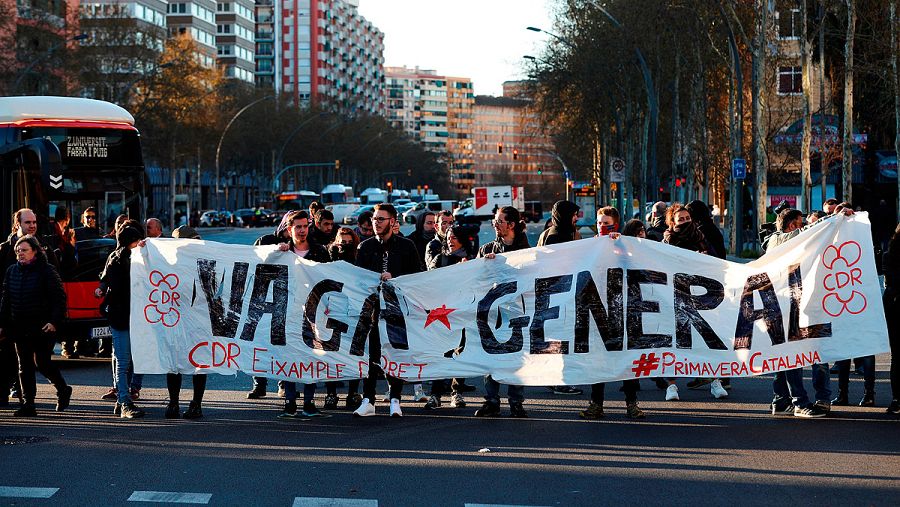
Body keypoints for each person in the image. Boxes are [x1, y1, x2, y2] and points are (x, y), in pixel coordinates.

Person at [765, 207, 852, 418]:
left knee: (789, 355)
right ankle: (805, 401)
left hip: (799, 306)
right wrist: (835, 217)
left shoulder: (778, 242)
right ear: (793, 225)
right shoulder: (782, 240)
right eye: (801, 223)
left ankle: (783, 400)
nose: (804, 227)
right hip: (798, 308)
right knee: (805, 354)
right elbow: (811, 232)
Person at [353, 203, 422, 418]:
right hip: (371, 310)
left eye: (380, 219)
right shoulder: (365, 247)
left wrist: (396, 278)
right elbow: (357, 278)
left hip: (397, 310)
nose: (376, 223)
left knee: (395, 353)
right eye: (374, 219)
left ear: (392, 221)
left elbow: (418, 276)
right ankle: (368, 399)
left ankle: (395, 399)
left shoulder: (407, 246)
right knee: (370, 354)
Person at [580, 207, 645, 420]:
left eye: (605, 223)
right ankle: (596, 404)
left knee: (626, 358)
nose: (601, 227)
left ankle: (631, 404)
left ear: (615, 225)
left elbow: (637, 267)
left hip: (622, 309)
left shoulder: (624, 245)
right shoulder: (590, 247)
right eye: (599, 223)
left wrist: (620, 246)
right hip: (599, 310)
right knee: (599, 359)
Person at [663, 203, 728, 401]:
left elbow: (719, 262)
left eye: (687, 218)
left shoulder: (702, 238)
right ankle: (672, 386)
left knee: (709, 341)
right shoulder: (666, 241)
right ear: (672, 222)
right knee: (674, 343)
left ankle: (716, 382)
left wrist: (706, 258)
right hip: (674, 297)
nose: (685, 222)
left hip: (702, 299)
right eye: (680, 219)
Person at [0, 235, 72, 417]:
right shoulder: (11, 271)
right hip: (19, 326)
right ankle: (28, 405)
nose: (20, 254)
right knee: (23, 365)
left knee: (43, 362)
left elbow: (59, 299)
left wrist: (54, 321)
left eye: (24, 250)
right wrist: (3, 324)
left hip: (43, 326)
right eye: (18, 251)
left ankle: (63, 389)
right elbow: (6, 299)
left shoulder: (47, 271)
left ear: (35, 252)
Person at [473, 206, 532, 418]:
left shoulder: (527, 251)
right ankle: (491, 400)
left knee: (516, 358)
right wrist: (484, 266)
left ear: (511, 224)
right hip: (492, 313)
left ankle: (516, 402)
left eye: (499, 221)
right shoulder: (487, 249)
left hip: (518, 312)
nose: (495, 225)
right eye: (494, 221)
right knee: (491, 357)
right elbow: (477, 281)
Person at [276, 211, 332, 419]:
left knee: (311, 355)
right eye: (297, 227)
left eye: (304, 226)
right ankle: (290, 402)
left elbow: (330, 278)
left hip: (314, 312)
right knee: (287, 355)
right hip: (287, 312)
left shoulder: (319, 252)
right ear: (289, 230)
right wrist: (276, 254)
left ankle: (309, 402)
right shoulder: (281, 252)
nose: (301, 231)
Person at [97, 224, 146, 419]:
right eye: (136, 242)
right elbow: (117, 285)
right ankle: (125, 401)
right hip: (123, 316)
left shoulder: (119, 258)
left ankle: (122, 400)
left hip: (126, 316)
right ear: (129, 243)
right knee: (124, 360)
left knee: (125, 359)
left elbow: (105, 280)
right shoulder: (121, 260)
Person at [422, 225, 474, 411]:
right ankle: (435, 395)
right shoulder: (440, 258)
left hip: (463, 311)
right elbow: (431, 282)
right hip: (442, 313)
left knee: (461, 352)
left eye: (455, 237)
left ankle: (456, 391)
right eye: (449, 236)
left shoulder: (472, 260)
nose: (450, 239)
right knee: (441, 353)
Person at [536, 200, 584, 396]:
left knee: (555, 338)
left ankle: (552, 378)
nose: (576, 218)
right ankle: (561, 381)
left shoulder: (547, 233)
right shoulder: (559, 237)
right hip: (561, 295)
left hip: (552, 295)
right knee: (562, 340)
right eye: (573, 214)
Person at [165, 226, 208, 419]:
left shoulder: (204, 261)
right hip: (178, 319)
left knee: (198, 361)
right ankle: (174, 402)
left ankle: (195, 403)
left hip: (198, 318)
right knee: (175, 362)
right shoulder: (169, 263)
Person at [323, 227, 363, 410]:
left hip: (353, 311)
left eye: (348, 242)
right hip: (331, 311)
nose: (344, 246)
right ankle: (331, 394)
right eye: (341, 242)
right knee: (331, 354)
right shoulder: (326, 258)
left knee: (354, 353)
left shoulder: (359, 258)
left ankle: (353, 393)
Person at [882, 223, 900, 415]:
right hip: (895, 302)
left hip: (893, 304)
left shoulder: (889, 255)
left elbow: (891, 279)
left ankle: (896, 399)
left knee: (897, 355)